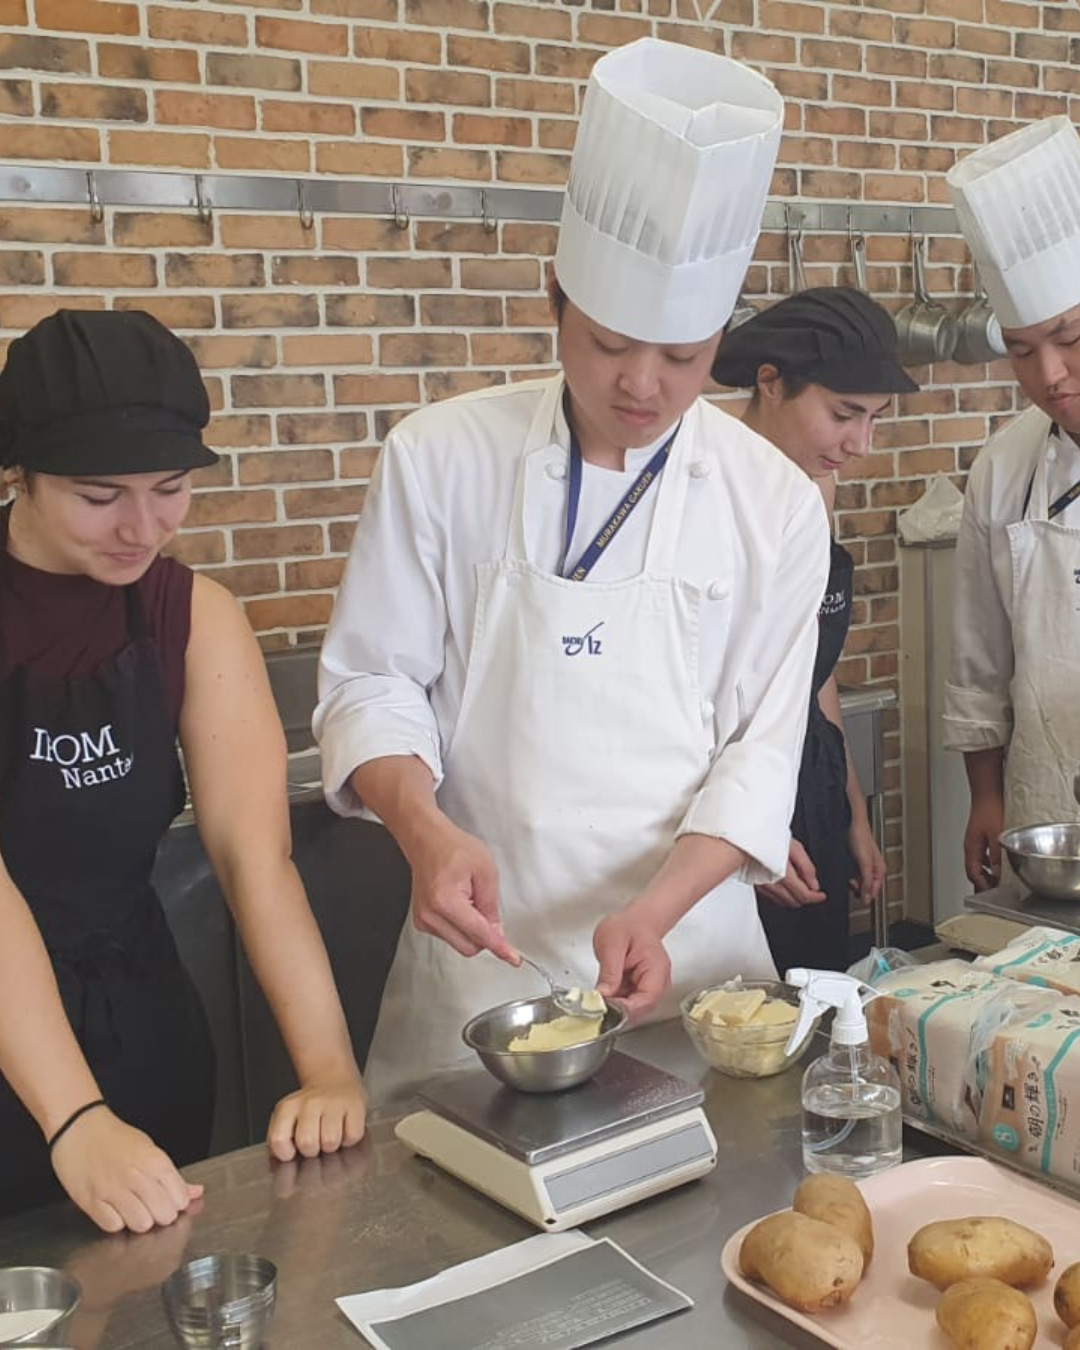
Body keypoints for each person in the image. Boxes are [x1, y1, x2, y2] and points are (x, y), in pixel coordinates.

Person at [316, 37, 831, 1103]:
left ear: (721, 340)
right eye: (606, 344)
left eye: (684, 358)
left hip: (689, 968)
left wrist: (652, 912)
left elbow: (760, 754)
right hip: (474, 977)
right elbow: (371, 684)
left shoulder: (773, 501)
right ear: (554, 300)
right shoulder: (440, 455)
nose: (642, 384)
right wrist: (423, 829)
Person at [0, 308, 367, 1232]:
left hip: (144, 1023)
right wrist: (75, 1119)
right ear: (22, 473)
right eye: (99, 496)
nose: (141, 528)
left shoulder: (192, 614)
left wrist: (328, 1067)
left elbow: (254, 857)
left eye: (169, 489)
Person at [711, 287, 918, 972]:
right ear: (770, 383)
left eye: (874, 419)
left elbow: (814, 669)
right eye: (843, 414)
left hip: (812, 785)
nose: (860, 445)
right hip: (721, 799)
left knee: (820, 1001)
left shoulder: (813, 488)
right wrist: (744, 833)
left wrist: (853, 814)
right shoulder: (705, 490)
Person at [943, 116, 1080, 890]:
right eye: (1022, 351)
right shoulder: (1005, 465)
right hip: (1047, 805)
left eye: (1071, 337)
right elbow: (978, 655)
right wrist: (986, 795)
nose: (1050, 375)